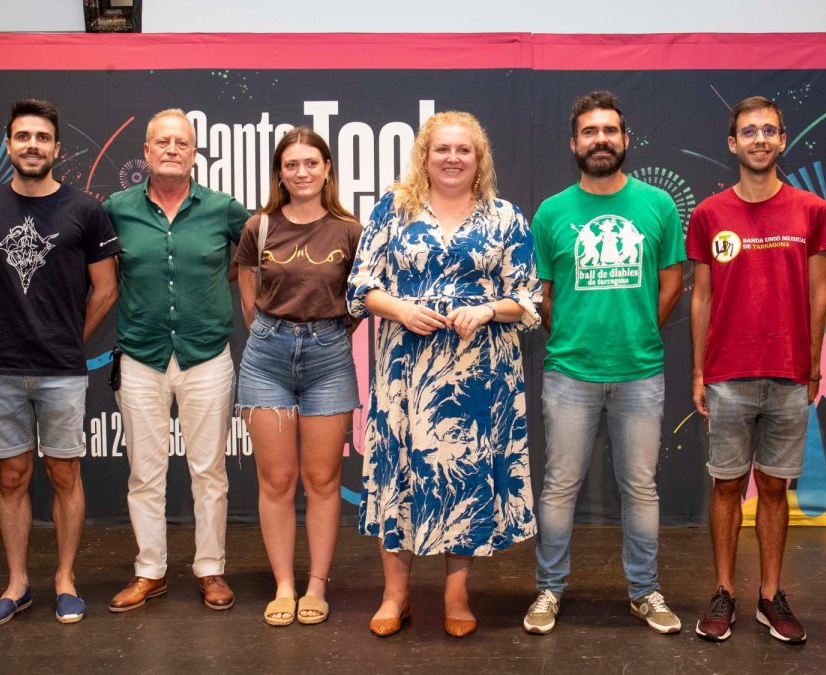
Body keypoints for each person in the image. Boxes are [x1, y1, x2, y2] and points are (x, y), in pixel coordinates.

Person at [348, 110, 541, 638]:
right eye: (442, 149)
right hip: (405, 372)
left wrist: (486, 310)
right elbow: (360, 285)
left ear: (479, 160)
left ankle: (457, 592)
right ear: (425, 156)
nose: (453, 158)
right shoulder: (393, 208)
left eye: (464, 150)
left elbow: (529, 297)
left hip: (480, 377)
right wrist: (401, 310)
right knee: (400, 476)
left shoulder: (505, 217)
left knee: (467, 476)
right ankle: (396, 595)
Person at [0, 99, 119, 628]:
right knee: (12, 477)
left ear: (57, 149)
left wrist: (65, 340)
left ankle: (65, 581)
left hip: (62, 369)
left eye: (42, 138)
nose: (32, 146)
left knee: (64, 472)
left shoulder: (86, 211)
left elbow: (106, 289)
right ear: (7, 144)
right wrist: (6, 335)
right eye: (22, 136)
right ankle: (17, 585)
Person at [524, 90, 685, 635]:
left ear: (625, 140)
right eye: (590, 132)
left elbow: (671, 285)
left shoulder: (658, 205)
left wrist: (636, 329)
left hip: (641, 371)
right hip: (569, 372)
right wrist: (574, 333)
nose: (600, 140)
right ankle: (548, 590)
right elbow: (543, 295)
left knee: (641, 489)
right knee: (559, 487)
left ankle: (644, 592)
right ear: (574, 144)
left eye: (609, 131)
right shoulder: (551, 212)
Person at [687, 96, 826, 644]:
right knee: (726, 486)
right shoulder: (708, 214)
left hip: (789, 372)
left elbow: (821, 290)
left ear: (782, 140)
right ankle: (724, 592)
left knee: (774, 489)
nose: (758, 139)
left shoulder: (811, 210)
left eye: (768, 131)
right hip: (727, 375)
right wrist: (699, 372)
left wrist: (815, 364)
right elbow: (700, 298)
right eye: (747, 131)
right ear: (733, 143)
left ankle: (770, 595)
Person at [104, 109, 250, 613]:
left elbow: (255, 253)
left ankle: (211, 570)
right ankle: (151, 572)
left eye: (181, 143)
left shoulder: (223, 208)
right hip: (140, 356)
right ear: (145, 152)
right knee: (145, 473)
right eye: (161, 142)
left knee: (208, 471)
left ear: (193, 154)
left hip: (206, 356)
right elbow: (101, 274)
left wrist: (213, 283)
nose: (171, 149)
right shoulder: (115, 209)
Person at [234, 128, 362, 626]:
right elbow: (247, 278)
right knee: (277, 480)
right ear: (279, 173)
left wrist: (330, 333)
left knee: (323, 480)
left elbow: (361, 294)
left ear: (327, 169)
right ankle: (284, 584)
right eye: (292, 164)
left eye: (312, 163)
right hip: (266, 357)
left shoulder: (349, 230)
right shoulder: (259, 227)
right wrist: (264, 327)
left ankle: (316, 586)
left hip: (329, 359)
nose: (302, 172)